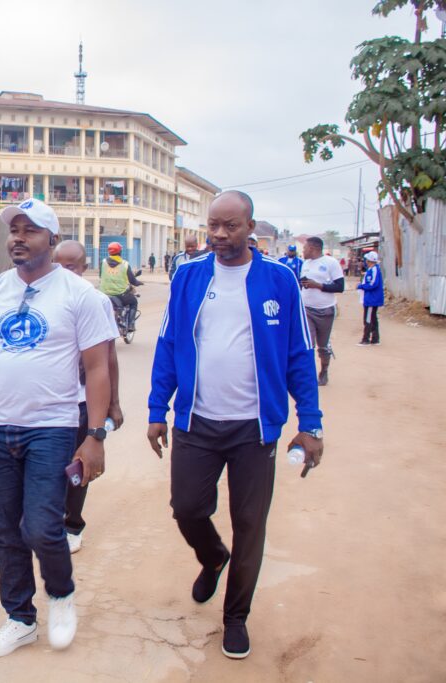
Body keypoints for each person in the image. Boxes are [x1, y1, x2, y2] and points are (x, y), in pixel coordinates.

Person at [147, 190, 324, 660]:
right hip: (196, 422)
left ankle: (235, 617)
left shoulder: (279, 279)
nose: (220, 235)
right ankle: (212, 557)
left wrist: (311, 424)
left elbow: (299, 356)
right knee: (186, 507)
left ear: (251, 228)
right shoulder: (188, 276)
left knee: (250, 524)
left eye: (230, 226)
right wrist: (155, 410)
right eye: (214, 226)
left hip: (254, 430)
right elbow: (168, 345)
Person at [0, 198, 115, 658]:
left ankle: (60, 595)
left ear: (52, 240)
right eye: (13, 229)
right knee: (4, 531)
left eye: (29, 230)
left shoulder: (81, 296)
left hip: (53, 429)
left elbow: (98, 368)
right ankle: (19, 618)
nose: (17, 237)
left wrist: (95, 436)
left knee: (41, 527)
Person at [53, 240, 123, 554]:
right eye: (58, 264)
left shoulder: (96, 301)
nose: (63, 271)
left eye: (70, 266)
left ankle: (73, 523)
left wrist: (114, 403)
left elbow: (107, 360)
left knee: (79, 465)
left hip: (82, 402)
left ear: (83, 268)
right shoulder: (43, 298)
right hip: (50, 402)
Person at [300, 236, 345, 386]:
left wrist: (317, 285)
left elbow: (340, 286)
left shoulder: (331, 263)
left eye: (304, 248)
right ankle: (308, 375)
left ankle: (324, 370)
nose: (303, 251)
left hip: (325, 311)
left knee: (323, 346)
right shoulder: (305, 263)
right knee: (308, 344)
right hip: (307, 310)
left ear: (313, 249)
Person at [99, 242, 143, 329]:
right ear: (120, 252)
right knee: (133, 302)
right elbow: (132, 281)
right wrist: (139, 283)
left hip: (104, 294)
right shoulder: (125, 264)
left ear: (109, 252)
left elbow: (101, 276)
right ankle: (131, 324)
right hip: (120, 294)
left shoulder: (103, 263)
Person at [356, 251, 384, 346]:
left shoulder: (374, 270)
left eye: (366, 260)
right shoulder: (371, 270)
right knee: (372, 318)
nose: (365, 262)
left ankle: (366, 339)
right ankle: (375, 339)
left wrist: (361, 286)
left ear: (369, 261)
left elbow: (373, 284)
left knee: (368, 319)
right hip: (369, 298)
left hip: (372, 299)